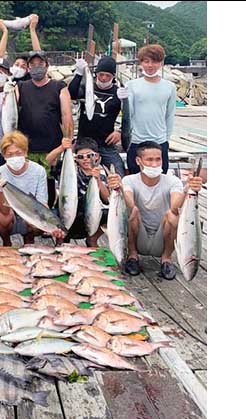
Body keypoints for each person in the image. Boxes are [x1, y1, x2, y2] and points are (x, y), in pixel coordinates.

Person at [106, 141, 202, 280]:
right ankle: (132, 255)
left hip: (162, 238)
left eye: (158, 159)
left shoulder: (173, 181)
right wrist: (119, 188)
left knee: (172, 215)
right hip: (138, 236)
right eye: (149, 160)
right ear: (138, 161)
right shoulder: (129, 180)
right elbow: (130, 204)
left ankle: (166, 258)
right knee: (133, 211)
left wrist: (188, 189)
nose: (155, 164)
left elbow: (175, 207)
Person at [13, 50, 73, 207]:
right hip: (28, 147)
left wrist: (68, 141)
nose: (36, 67)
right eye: (32, 65)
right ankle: (30, 222)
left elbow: (66, 115)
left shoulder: (59, 86)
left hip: (52, 146)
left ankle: (49, 216)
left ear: (47, 65)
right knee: (28, 184)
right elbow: (11, 110)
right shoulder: (21, 86)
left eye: (40, 64)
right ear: (28, 68)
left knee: (49, 184)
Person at [0, 131, 65, 246]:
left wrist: (50, 226)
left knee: (37, 219)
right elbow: (3, 210)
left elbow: (42, 203)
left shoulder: (38, 170)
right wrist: (1, 190)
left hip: (31, 211)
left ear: (25, 152)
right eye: (10, 154)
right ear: (3, 155)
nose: (14, 157)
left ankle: (29, 240)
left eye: (18, 153)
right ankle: (6, 242)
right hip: (9, 212)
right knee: (3, 218)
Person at [117, 44, 177, 175]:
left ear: (161, 63)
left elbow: (170, 115)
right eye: (146, 61)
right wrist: (123, 99)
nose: (150, 65)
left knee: (160, 177)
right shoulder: (131, 85)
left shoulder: (170, 87)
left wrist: (165, 139)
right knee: (135, 177)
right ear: (141, 63)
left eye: (155, 61)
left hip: (160, 141)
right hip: (136, 141)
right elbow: (129, 113)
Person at [47, 137, 110, 247]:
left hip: (87, 215)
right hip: (68, 214)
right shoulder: (67, 168)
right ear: (76, 158)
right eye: (81, 157)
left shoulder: (102, 172)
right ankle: (61, 241)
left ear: (97, 156)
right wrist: (62, 148)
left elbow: (107, 199)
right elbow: (48, 162)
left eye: (90, 155)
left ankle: (92, 239)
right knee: (54, 214)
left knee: (111, 214)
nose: (85, 159)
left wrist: (98, 180)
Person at [70, 56, 125, 176]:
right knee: (75, 174)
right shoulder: (87, 88)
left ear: (113, 76)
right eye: (101, 75)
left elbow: (130, 116)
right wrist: (79, 73)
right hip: (84, 142)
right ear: (96, 74)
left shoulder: (119, 92)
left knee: (118, 172)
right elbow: (72, 94)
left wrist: (120, 131)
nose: (104, 78)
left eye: (108, 76)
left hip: (106, 144)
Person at [0, 13, 41, 83]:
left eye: (23, 66)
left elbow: (38, 54)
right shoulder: (7, 77)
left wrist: (32, 29)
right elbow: (0, 56)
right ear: (12, 65)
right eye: (17, 64)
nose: (19, 68)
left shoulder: (31, 79)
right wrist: (5, 31)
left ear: (28, 69)